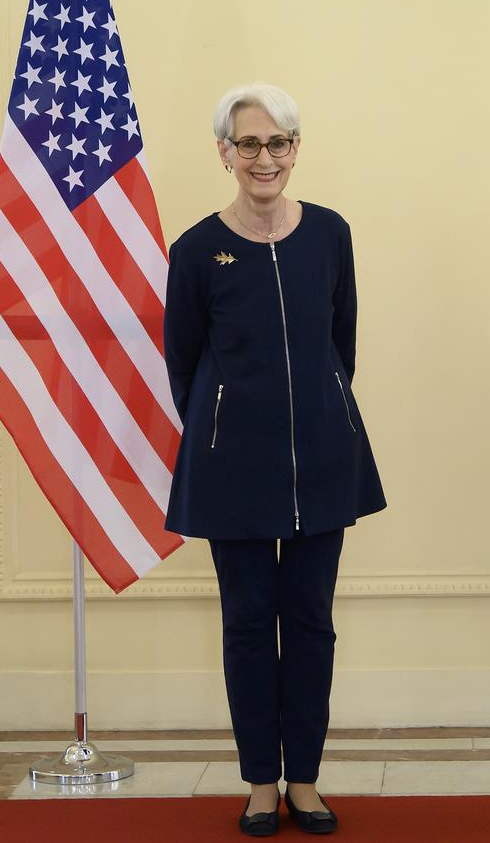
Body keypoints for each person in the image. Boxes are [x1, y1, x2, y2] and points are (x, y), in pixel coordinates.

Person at [164, 82, 386, 837]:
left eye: (279, 143)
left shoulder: (330, 233)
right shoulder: (197, 250)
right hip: (234, 472)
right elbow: (184, 366)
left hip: (324, 461)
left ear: (296, 149)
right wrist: (229, 426)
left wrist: (320, 405)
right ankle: (262, 779)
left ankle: (306, 779)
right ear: (225, 152)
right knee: (250, 623)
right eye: (250, 144)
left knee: (313, 622)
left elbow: (341, 345)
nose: (266, 158)